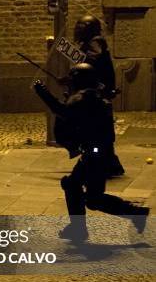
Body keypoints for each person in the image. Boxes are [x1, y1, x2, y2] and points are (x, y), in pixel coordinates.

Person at [34, 63, 149, 242]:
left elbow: (63, 112)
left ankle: (134, 213)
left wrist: (42, 92)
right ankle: (80, 228)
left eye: (73, 79)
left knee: (91, 197)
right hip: (98, 152)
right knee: (76, 187)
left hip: (96, 154)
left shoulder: (84, 97)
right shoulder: (94, 94)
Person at [73, 14, 124, 177]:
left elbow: (91, 62)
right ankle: (110, 163)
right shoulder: (90, 42)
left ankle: (101, 162)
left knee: (95, 129)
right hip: (97, 91)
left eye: (81, 28)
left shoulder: (95, 42)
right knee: (98, 130)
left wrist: (77, 69)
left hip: (97, 93)